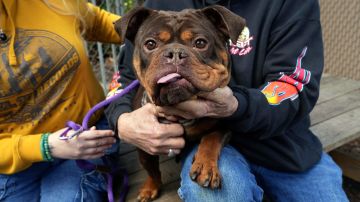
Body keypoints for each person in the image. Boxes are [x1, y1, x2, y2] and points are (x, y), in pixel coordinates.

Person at [105, 0, 349, 201]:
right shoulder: (158, 5)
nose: (175, 56)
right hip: (203, 144)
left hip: (282, 146)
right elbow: (123, 77)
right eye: (153, 44)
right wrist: (122, 120)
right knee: (217, 193)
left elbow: (295, 86)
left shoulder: (290, 4)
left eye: (199, 43)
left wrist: (234, 106)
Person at [0, 0, 122, 201]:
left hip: (86, 136)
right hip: (13, 162)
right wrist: (46, 146)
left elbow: (99, 22)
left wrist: (157, 29)